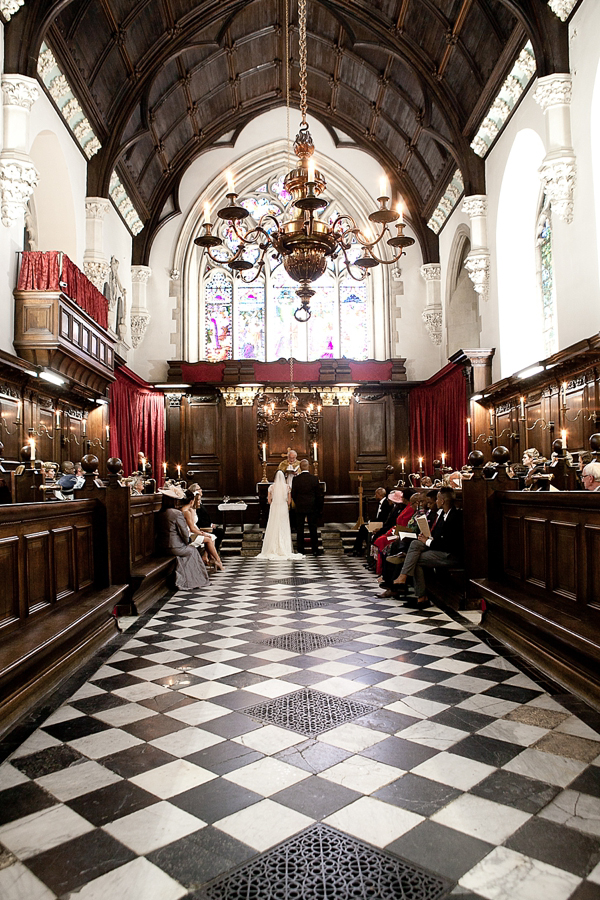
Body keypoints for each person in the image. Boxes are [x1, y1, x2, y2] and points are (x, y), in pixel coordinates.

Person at [393, 486, 463, 610]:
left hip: (449, 554)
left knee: (416, 560)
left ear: (443, 501)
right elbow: (436, 536)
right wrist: (425, 538)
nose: (436, 502)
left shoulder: (455, 517)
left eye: (437, 499)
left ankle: (420, 596)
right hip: (439, 548)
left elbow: (449, 545)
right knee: (415, 544)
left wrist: (428, 542)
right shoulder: (442, 514)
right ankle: (404, 577)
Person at [157, 486, 210, 589]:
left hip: (162, 546)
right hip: (174, 547)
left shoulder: (160, 513)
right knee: (192, 550)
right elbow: (184, 533)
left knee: (188, 551)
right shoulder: (176, 513)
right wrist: (187, 541)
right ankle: (193, 580)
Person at [257, 470, 304, 559]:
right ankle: (285, 547)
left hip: (274, 507)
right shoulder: (287, 487)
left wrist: (275, 503)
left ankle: (272, 548)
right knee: (283, 526)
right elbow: (289, 502)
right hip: (283, 507)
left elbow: (269, 501)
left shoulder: (271, 487)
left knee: (274, 525)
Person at [181, 489, 224, 569]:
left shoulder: (187, 510)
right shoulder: (186, 511)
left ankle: (211, 559)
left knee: (211, 537)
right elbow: (192, 528)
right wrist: (201, 533)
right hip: (189, 534)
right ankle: (217, 560)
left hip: (191, 532)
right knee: (209, 539)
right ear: (191, 501)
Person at [291, 459, 323, 555]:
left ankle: (300, 549)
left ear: (300, 467)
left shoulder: (296, 479)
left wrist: (298, 502)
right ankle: (315, 550)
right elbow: (318, 495)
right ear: (308, 466)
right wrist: (318, 507)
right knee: (313, 527)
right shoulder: (314, 479)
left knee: (299, 528)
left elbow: (293, 494)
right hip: (312, 506)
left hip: (300, 506)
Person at [350, 487, 392, 556]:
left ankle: (358, 550)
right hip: (377, 522)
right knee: (363, 528)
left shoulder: (386, 504)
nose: (375, 496)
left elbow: (383, 518)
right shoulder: (381, 503)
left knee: (363, 528)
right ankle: (358, 550)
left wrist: (371, 522)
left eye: (376, 494)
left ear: (379, 494)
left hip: (381, 524)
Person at [188, 483, 225, 551]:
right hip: (200, 528)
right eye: (199, 489)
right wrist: (203, 531)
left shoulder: (199, 503)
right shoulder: (193, 506)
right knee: (218, 533)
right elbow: (198, 521)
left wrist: (210, 524)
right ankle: (212, 555)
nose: (201, 490)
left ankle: (212, 555)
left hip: (202, 527)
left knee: (216, 534)